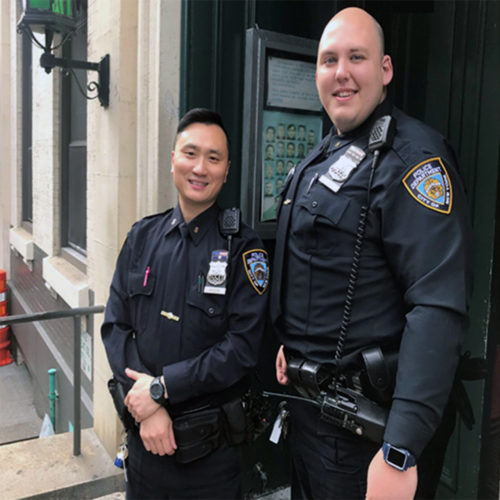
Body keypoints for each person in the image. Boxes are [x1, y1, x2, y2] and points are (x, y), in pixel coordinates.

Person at [271, 7, 473, 500]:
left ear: (384, 70)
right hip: (310, 415)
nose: (341, 72)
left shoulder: (413, 160)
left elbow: (437, 307)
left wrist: (401, 451)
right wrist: (294, 345)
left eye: (356, 57)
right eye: (329, 60)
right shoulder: (322, 156)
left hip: (367, 434)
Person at [102, 108, 269, 499]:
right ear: (173, 159)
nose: (200, 168)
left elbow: (241, 348)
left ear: (226, 170)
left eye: (214, 158)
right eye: (190, 154)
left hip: (209, 462)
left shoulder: (244, 250)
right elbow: (115, 327)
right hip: (144, 450)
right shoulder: (141, 237)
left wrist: (162, 390)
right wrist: (146, 407)